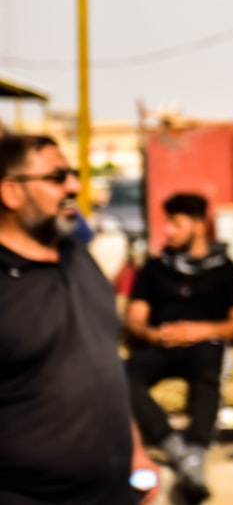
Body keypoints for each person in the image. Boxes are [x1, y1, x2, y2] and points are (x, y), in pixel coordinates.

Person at [0, 134, 158, 504]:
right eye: (57, 178)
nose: (75, 185)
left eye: (72, 174)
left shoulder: (80, 259)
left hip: (114, 492)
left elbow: (105, 367)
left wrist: (135, 452)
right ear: (11, 192)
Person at [124, 192, 233, 503]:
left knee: (210, 366)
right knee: (121, 374)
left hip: (204, 345)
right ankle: (179, 452)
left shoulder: (227, 270)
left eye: (176, 224)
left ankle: (196, 448)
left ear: (198, 226)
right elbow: (135, 318)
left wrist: (198, 331)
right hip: (162, 345)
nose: (168, 231)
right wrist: (156, 335)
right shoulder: (154, 268)